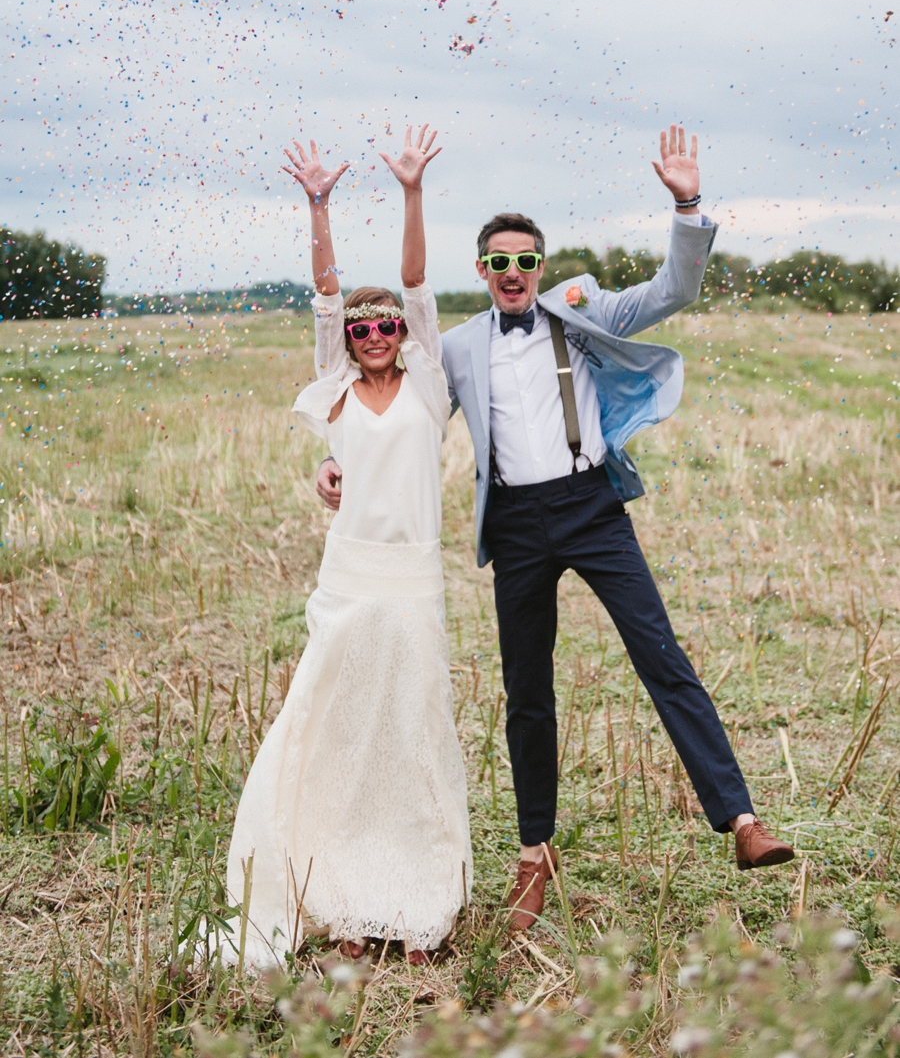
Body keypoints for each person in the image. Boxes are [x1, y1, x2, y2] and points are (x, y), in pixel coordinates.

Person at [317, 124, 793, 934]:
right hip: (517, 524)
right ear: (482, 271)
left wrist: (686, 203)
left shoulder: (579, 307)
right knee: (527, 694)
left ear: (540, 267)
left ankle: (742, 819)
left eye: (524, 261)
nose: (512, 273)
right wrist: (336, 463)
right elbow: (398, 404)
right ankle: (535, 853)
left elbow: (671, 290)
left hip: (591, 507)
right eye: (498, 262)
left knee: (662, 656)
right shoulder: (461, 346)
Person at [224, 125, 471, 967]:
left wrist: (411, 192)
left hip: (412, 582)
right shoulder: (333, 387)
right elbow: (326, 292)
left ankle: (418, 903)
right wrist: (319, 205)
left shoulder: (431, 382)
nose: (371, 333)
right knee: (339, 730)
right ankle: (345, 900)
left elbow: (414, 277)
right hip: (347, 579)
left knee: (409, 728)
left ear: (404, 332)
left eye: (384, 325)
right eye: (361, 327)